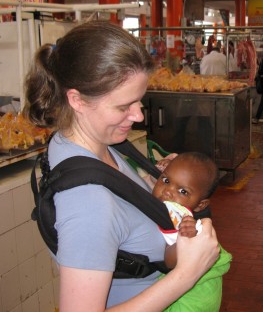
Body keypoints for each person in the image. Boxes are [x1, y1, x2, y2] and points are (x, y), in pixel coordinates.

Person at [23, 21, 220, 311]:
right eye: (123, 106)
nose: (138, 116)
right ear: (76, 99)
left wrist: (154, 174)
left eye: (139, 101)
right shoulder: (89, 204)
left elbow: (120, 209)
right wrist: (186, 275)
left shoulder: (84, 145)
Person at [152, 152, 232, 312]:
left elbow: (169, 261)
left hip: (193, 298)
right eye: (166, 180)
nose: (167, 191)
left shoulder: (186, 224)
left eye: (183, 192)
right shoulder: (163, 209)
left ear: (200, 206)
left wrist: (183, 238)